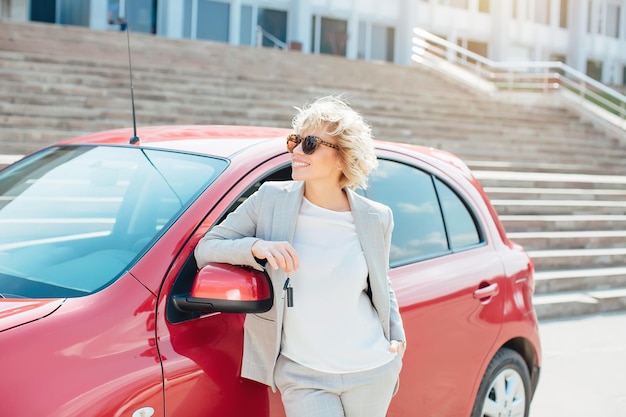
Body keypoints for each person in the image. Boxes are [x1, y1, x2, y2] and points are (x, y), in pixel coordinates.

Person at [194, 94, 406, 417]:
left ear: (341, 158)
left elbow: (380, 281)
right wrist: (256, 248)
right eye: (294, 141)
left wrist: (396, 338)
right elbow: (206, 248)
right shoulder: (269, 201)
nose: (295, 151)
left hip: (371, 369)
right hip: (303, 374)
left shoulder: (377, 217)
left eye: (309, 143)